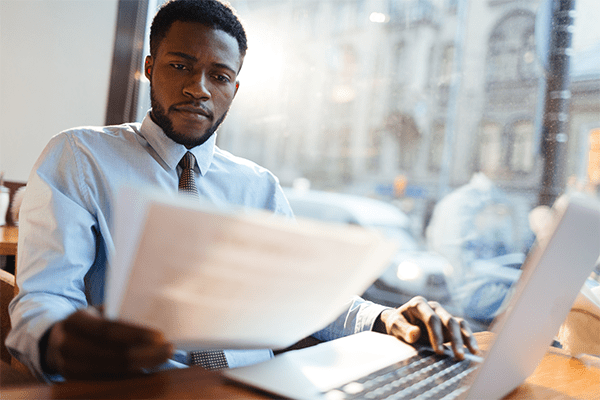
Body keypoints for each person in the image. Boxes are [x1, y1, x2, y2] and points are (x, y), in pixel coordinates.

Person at [7, 0, 478, 382]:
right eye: (180, 66)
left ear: (235, 87)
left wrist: (383, 319)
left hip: (253, 386)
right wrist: (56, 341)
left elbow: (301, 294)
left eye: (219, 76)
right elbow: (44, 297)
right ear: (150, 67)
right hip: (141, 386)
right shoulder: (80, 155)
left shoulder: (257, 185)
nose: (199, 89)